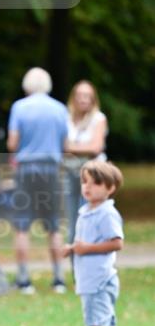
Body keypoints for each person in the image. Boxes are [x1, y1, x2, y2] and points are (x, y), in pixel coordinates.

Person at [62, 160, 125, 326]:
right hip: (93, 279)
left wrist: (85, 249)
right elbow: (88, 242)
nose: (88, 187)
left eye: (96, 183)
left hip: (99, 280)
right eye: (85, 182)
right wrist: (73, 249)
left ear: (110, 188)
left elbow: (117, 243)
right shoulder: (88, 211)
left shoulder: (106, 214)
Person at [7, 67, 68, 294]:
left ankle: (24, 280)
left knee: (22, 225)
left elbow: (13, 144)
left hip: (26, 169)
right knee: (53, 225)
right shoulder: (60, 109)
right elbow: (66, 145)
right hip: (51, 170)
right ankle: (59, 278)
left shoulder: (19, 108)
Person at [63, 80, 108, 243]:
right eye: (80, 95)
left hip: (92, 176)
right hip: (70, 173)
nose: (83, 99)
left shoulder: (99, 119)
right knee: (72, 219)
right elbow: (61, 146)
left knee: (89, 216)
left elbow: (95, 148)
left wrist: (71, 147)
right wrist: (82, 147)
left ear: (93, 99)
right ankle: (75, 262)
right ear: (73, 98)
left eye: (87, 96)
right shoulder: (65, 118)